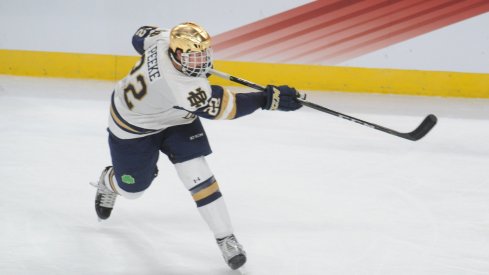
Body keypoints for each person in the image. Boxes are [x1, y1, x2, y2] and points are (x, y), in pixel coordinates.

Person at [91, 22, 302, 270]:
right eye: (193, 57)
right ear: (176, 54)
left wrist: (153, 54)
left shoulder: (163, 40)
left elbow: (139, 36)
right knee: (134, 189)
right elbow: (227, 108)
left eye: (202, 54)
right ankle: (109, 181)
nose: (201, 62)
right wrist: (267, 99)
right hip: (133, 127)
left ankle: (226, 238)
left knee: (198, 174)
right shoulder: (182, 86)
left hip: (175, 117)